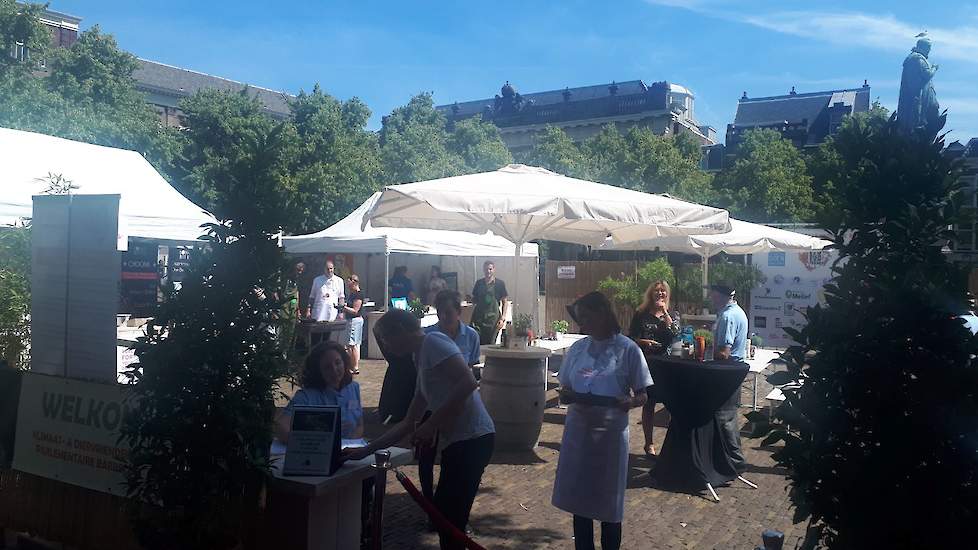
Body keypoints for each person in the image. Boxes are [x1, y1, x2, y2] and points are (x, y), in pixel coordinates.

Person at [343, 309, 495, 550]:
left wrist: (431, 424)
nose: (387, 347)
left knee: (450, 516)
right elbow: (408, 421)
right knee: (446, 515)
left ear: (401, 332)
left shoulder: (433, 342)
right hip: (457, 442)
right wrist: (365, 452)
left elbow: (468, 382)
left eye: (387, 340)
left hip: (474, 439)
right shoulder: (419, 356)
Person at [552, 292, 652, 550]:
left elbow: (643, 395)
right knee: (580, 502)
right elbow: (565, 385)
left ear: (603, 314)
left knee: (609, 504)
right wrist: (568, 395)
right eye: (580, 318)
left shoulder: (628, 349)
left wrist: (629, 402)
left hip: (609, 438)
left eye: (586, 317)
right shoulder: (577, 348)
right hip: (579, 434)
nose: (582, 324)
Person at [419, 290, 482, 510]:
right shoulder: (428, 335)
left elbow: (471, 369)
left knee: (453, 456)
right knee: (426, 456)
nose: (444, 318)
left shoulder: (471, 336)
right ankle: (428, 504)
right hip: (433, 402)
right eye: (440, 313)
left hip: (458, 404)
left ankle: (452, 509)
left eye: (448, 313)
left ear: (458, 312)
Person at [628, 280, 680, 457]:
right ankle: (648, 444)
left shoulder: (672, 313)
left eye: (663, 291)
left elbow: (674, 334)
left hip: (666, 365)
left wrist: (665, 312)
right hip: (646, 363)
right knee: (648, 403)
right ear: (650, 293)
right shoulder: (641, 313)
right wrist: (643, 342)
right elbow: (630, 338)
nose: (660, 294)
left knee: (672, 404)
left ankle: (673, 443)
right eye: (657, 291)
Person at [275, 341, 363, 442]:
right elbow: (280, 426)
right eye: (327, 367)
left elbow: (359, 425)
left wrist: (348, 444)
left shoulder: (354, 388)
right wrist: (310, 443)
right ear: (318, 371)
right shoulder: (306, 396)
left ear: (344, 362)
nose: (334, 370)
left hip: (350, 449)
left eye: (338, 362)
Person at [710, 283, 749, 473]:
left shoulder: (727, 316)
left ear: (722, 295)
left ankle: (734, 463)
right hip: (735, 371)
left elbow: (724, 352)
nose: (711, 297)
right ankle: (729, 460)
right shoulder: (739, 311)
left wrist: (708, 354)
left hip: (726, 372)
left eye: (714, 294)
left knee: (724, 418)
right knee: (730, 417)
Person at [470, 261, 509, 345]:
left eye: (490, 269)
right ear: (483, 270)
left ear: (494, 270)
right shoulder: (479, 283)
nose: (488, 271)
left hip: (493, 320)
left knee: (490, 344)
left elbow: (505, 302)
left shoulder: (499, 284)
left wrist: (502, 318)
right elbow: (475, 300)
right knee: (475, 341)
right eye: (486, 269)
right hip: (479, 318)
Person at [342, 274, 365, 375]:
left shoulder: (358, 295)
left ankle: (355, 367)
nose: (348, 285)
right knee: (349, 344)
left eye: (349, 282)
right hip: (350, 320)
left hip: (355, 321)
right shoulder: (351, 294)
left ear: (354, 282)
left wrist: (343, 307)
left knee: (353, 344)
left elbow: (356, 310)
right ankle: (351, 366)